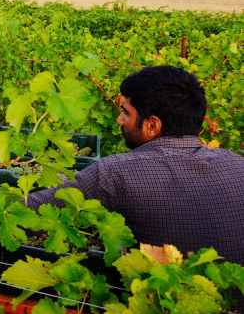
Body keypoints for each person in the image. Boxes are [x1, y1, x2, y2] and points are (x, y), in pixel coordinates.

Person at [26, 66, 244, 264]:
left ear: (151, 125)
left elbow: (38, 207)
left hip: (152, 301)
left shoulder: (116, 173)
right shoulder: (238, 165)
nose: (119, 121)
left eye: (125, 112)